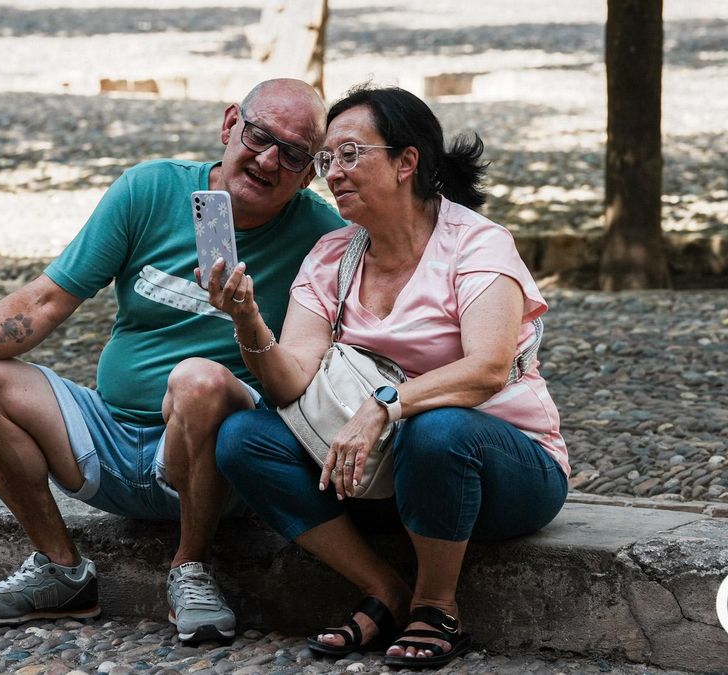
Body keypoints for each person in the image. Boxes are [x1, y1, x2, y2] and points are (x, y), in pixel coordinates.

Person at [0, 79, 344, 643]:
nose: (267, 160)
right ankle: (60, 570)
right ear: (229, 125)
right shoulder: (149, 190)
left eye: (292, 155)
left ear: (309, 172)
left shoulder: (323, 237)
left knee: (199, 380)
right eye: (259, 135)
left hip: (216, 462)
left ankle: (190, 566)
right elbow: (45, 301)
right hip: (109, 438)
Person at [206, 85, 569, 668]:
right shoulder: (331, 255)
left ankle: (435, 606)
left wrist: (384, 404)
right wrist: (246, 315)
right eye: (328, 160)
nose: (333, 173)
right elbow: (289, 380)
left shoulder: (477, 243)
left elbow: (487, 370)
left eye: (351, 154)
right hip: (380, 476)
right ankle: (384, 589)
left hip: (504, 473)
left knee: (440, 430)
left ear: (407, 162)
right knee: (243, 438)